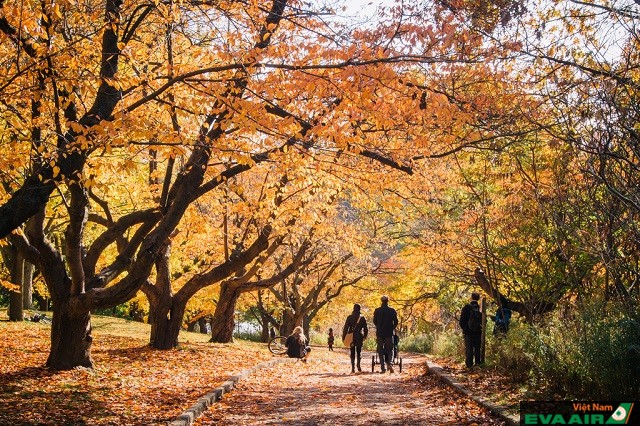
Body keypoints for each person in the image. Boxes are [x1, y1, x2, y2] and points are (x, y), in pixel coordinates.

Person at [373, 295, 398, 373]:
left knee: (380, 350)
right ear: (388, 301)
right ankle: (390, 363)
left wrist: (379, 326)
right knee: (390, 349)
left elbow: (374, 321)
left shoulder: (377, 310)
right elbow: (396, 322)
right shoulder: (392, 310)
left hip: (380, 333)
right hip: (389, 333)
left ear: (381, 301)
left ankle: (383, 368)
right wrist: (392, 328)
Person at [342, 303, 368, 373]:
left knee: (352, 351)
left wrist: (344, 337)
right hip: (359, 335)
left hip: (351, 336)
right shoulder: (362, 318)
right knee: (359, 352)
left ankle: (353, 368)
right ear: (359, 309)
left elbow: (345, 328)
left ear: (353, 309)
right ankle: (358, 365)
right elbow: (366, 329)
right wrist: (365, 336)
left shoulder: (349, 317)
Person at [459, 292, 482, 368]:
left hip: (468, 332)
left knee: (469, 348)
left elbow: (461, 321)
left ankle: (469, 365)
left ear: (471, 298)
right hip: (478, 332)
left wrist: (465, 329)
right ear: (478, 299)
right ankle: (478, 364)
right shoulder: (480, 308)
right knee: (477, 348)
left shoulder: (466, 307)